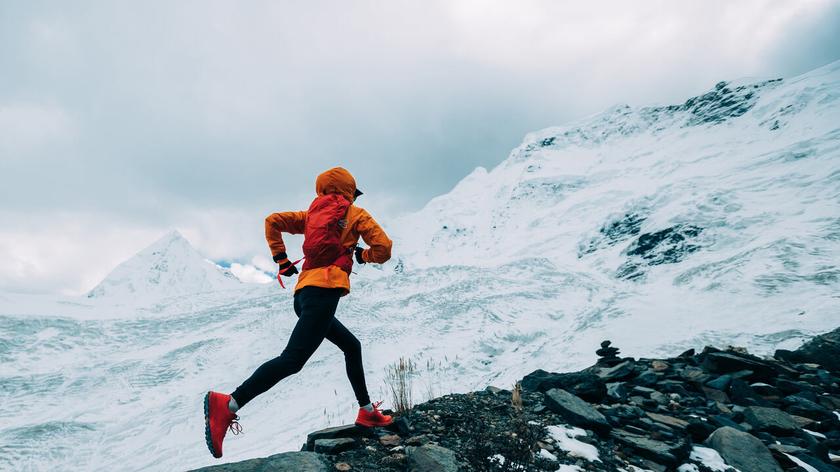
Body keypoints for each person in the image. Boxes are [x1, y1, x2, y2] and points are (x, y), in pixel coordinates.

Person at [204, 167, 394, 459]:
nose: (353, 199)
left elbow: (272, 221)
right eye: (352, 195)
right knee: (292, 360)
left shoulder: (310, 216)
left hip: (303, 294)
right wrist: (363, 255)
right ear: (348, 192)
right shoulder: (356, 215)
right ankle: (228, 404)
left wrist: (281, 260)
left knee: (351, 346)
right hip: (323, 295)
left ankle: (366, 411)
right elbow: (384, 248)